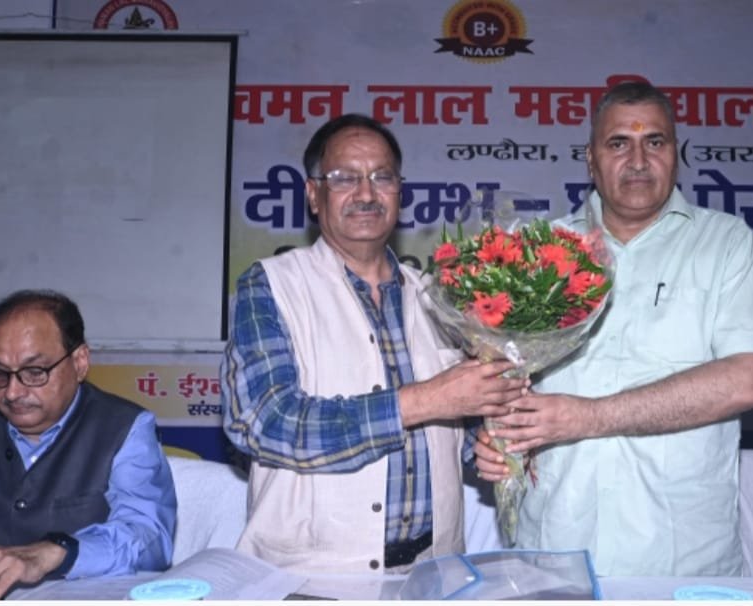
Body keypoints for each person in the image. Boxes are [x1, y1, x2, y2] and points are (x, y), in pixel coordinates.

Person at [475, 81, 753, 576]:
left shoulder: (725, 243)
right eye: (619, 143)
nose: (639, 160)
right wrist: (498, 438)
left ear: (676, 153)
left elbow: (748, 382)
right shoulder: (538, 251)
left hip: (682, 563)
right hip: (554, 551)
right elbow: (502, 378)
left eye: (655, 142)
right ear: (591, 159)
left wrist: (588, 417)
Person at [222, 113, 528, 574]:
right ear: (313, 195)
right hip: (311, 578)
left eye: (382, 177)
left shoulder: (439, 296)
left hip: (433, 571)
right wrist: (424, 401)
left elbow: (457, 423)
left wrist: (484, 443)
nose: (366, 194)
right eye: (344, 178)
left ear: (400, 193)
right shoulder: (271, 285)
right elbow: (263, 421)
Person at [0, 289, 177, 599]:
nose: (13, 392)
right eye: (1, 373)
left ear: (80, 362)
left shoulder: (124, 428)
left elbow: (150, 539)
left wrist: (56, 552)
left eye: (35, 372)